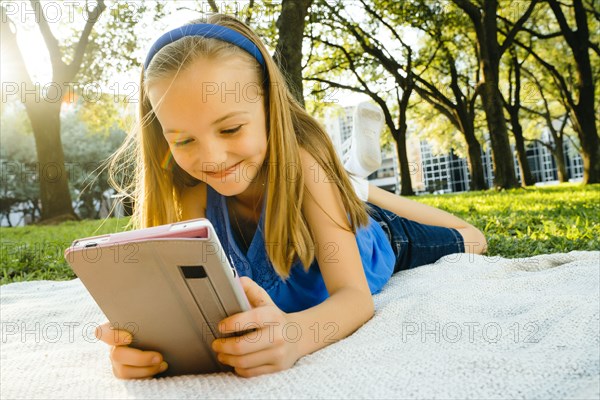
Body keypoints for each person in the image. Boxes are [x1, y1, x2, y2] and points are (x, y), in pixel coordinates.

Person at [96, 13, 487, 379]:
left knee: (473, 239)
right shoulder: (190, 188)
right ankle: (351, 181)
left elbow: (355, 298)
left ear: (270, 107)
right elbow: (182, 310)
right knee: (339, 187)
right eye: (183, 140)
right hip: (322, 195)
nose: (211, 158)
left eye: (230, 129)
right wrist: (147, 348)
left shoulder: (304, 162)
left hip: (380, 235)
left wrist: (296, 335)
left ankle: (355, 186)